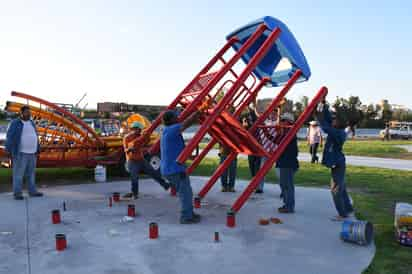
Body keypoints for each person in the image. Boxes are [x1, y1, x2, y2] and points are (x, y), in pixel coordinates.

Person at [160, 105, 206, 224]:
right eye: (176, 116)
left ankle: (189, 213)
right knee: (185, 193)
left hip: (169, 168)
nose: (178, 118)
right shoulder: (173, 129)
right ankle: (186, 217)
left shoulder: (166, 131)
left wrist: (189, 156)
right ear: (170, 120)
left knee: (186, 191)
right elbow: (187, 123)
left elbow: (174, 149)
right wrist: (199, 111)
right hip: (175, 169)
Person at [316, 101, 354, 221]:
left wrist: (318, 114)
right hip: (337, 162)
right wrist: (324, 104)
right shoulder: (337, 130)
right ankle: (348, 208)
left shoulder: (338, 133)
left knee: (335, 190)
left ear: (338, 124)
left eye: (335, 120)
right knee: (341, 187)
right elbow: (327, 119)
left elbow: (324, 125)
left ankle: (342, 214)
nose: (332, 120)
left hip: (337, 164)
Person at [123, 121, 170, 199]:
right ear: (134, 129)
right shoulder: (127, 138)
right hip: (132, 161)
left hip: (141, 160)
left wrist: (147, 136)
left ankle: (165, 185)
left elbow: (146, 142)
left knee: (153, 172)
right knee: (134, 178)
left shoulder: (140, 136)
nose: (140, 131)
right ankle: (135, 193)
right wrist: (130, 148)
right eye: (139, 130)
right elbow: (125, 150)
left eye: (141, 130)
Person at [5, 105, 43, 200]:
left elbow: (35, 135)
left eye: (29, 112)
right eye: (26, 112)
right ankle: (17, 194)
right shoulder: (15, 123)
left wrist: (37, 148)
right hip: (21, 153)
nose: (29, 114)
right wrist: (9, 150)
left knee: (31, 174)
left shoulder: (31, 123)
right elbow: (9, 137)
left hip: (32, 153)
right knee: (18, 174)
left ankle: (32, 191)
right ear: (21, 113)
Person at [276, 113, 299, 213]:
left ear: (288, 122)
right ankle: (286, 205)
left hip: (288, 163)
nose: (281, 123)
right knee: (283, 184)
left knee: (287, 186)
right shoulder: (285, 133)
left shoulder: (290, 133)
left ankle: (289, 207)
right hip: (284, 162)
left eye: (283, 121)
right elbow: (276, 140)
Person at [242, 104, 263, 192]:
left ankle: (258, 186)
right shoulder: (245, 117)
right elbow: (243, 128)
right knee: (252, 166)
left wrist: (253, 107)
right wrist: (244, 124)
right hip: (250, 145)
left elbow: (256, 113)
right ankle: (255, 185)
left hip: (257, 145)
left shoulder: (256, 118)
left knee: (257, 167)